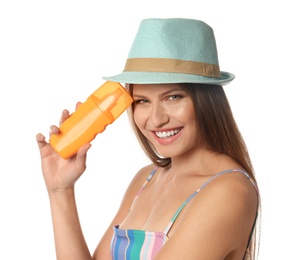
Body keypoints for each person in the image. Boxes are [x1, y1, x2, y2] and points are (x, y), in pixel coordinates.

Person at [36, 18, 260, 260]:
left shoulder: (229, 191)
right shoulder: (146, 179)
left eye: (173, 97)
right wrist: (60, 190)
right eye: (143, 100)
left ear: (207, 100)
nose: (156, 119)